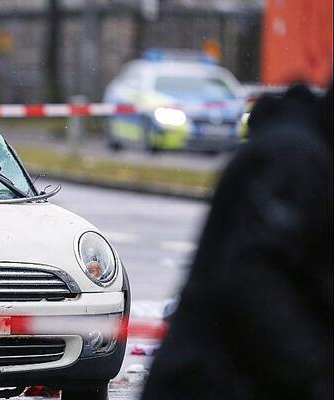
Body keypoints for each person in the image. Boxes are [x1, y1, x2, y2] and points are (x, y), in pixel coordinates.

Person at [142, 83, 333, 399]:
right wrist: (318, 374)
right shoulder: (294, 159)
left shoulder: (305, 154)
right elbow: (254, 284)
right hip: (211, 382)